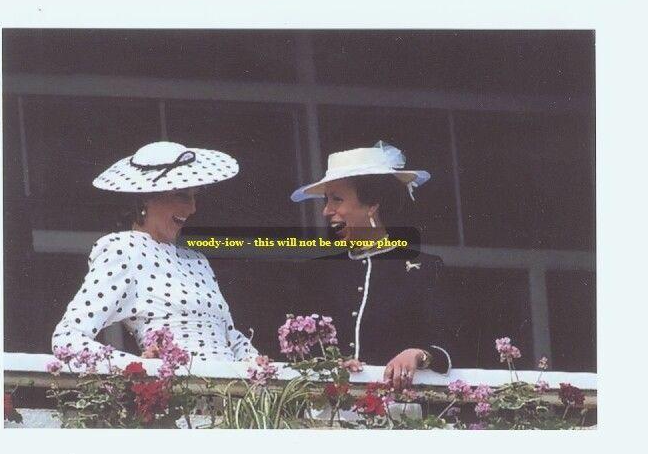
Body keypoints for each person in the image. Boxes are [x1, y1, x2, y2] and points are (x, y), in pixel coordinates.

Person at [51, 141, 259, 367]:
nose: (192, 209)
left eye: (194, 196)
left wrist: (254, 361)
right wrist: (137, 369)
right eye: (181, 195)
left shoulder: (197, 260)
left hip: (230, 394)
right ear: (145, 198)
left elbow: (230, 336)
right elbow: (67, 339)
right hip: (181, 396)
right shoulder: (124, 250)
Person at [290, 141, 459, 390]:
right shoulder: (318, 272)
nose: (327, 210)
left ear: (372, 205)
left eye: (337, 199)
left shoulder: (424, 268)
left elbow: (449, 345)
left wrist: (418, 354)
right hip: (327, 412)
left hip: (399, 414)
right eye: (326, 200)